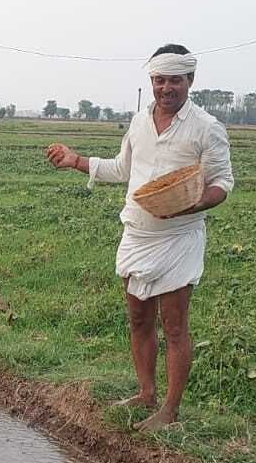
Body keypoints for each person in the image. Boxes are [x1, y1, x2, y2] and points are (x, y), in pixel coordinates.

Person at [44, 43, 234, 431]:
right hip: (138, 231)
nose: (167, 88)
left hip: (178, 237)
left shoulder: (206, 127)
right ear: (151, 81)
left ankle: (169, 411)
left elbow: (222, 183)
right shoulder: (138, 122)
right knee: (137, 317)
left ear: (190, 81)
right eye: (160, 80)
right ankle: (145, 393)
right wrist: (76, 161)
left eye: (175, 80)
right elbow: (122, 168)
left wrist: (194, 204)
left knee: (175, 325)